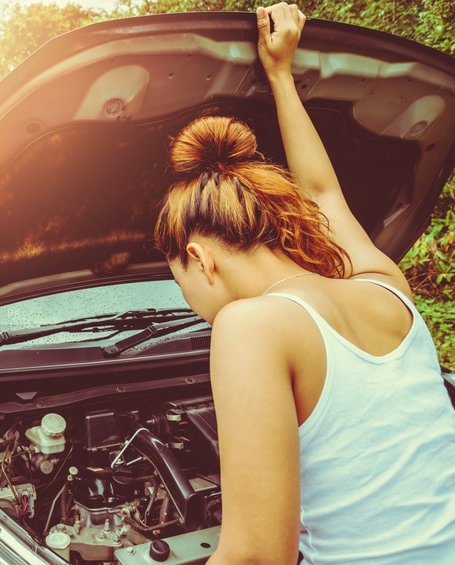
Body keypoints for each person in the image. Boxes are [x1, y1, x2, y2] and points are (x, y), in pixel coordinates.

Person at [154, 3, 455, 563]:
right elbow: (323, 195)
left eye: (180, 284)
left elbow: (258, 557)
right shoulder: (385, 286)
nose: (192, 304)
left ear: (200, 258)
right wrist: (280, 75)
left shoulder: (250, 326)